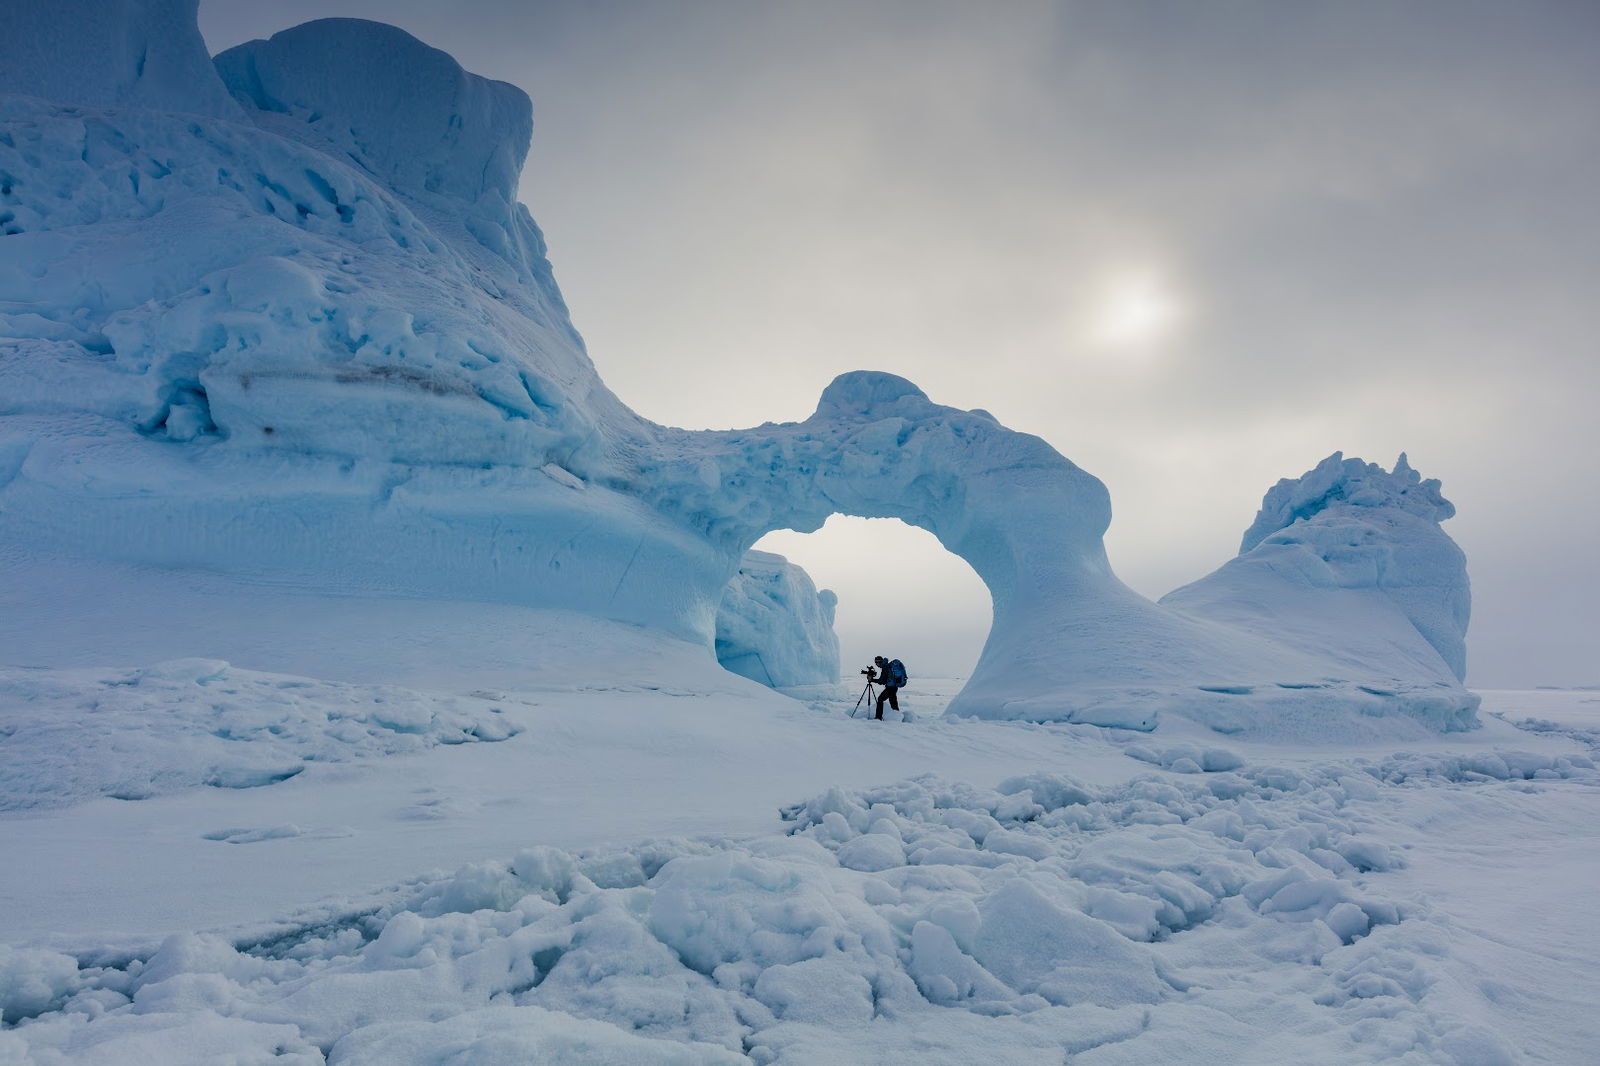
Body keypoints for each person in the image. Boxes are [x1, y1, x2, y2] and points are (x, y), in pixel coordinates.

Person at [871, 654, 906, 720]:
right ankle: (897, 717)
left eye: (876, 663)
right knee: (893, 702)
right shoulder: (887, 666)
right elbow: (884, 680)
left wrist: (872, 680)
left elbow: (882, 681)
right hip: (894, 687)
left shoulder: (885, 667)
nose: (876, 664)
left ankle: (878, 717)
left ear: (879, 662)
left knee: (880, 699)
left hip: (890, 688)